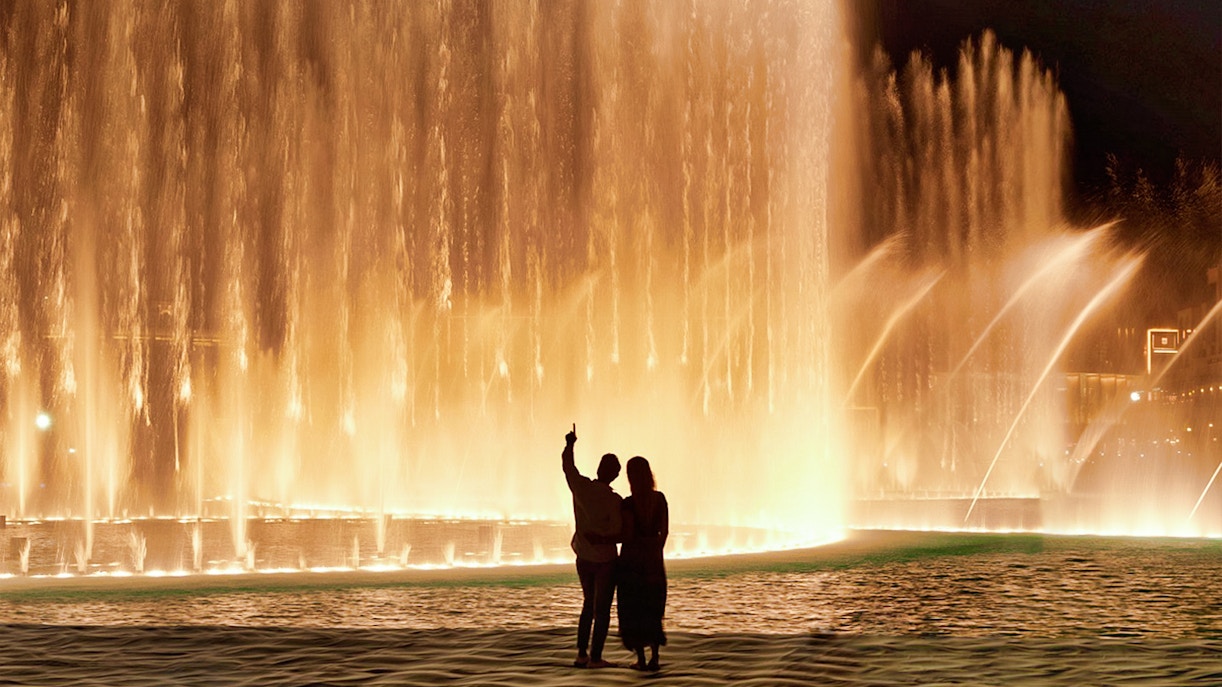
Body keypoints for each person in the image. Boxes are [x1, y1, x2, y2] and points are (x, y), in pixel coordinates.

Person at [561, 424, 622, 669]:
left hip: (584, 558)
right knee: (602, 609)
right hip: (606, 560)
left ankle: (581, 654)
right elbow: (618, 533)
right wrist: (605, 540)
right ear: (616, 475)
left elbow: (568, 468)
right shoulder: (614, 500)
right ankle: (596, 657)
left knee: (588, 605)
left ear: (598, 469)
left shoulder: (581, 488)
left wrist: (569, 444)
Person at [616, 455, 668, 671]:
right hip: (654, 562)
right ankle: (655, 657)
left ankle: (641, 659)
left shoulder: (628, 503)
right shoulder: (660, 499)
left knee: (633, 609)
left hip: (631, 564)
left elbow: (627, 535)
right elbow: (664, 531)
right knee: (653, 609)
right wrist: (656, 552)